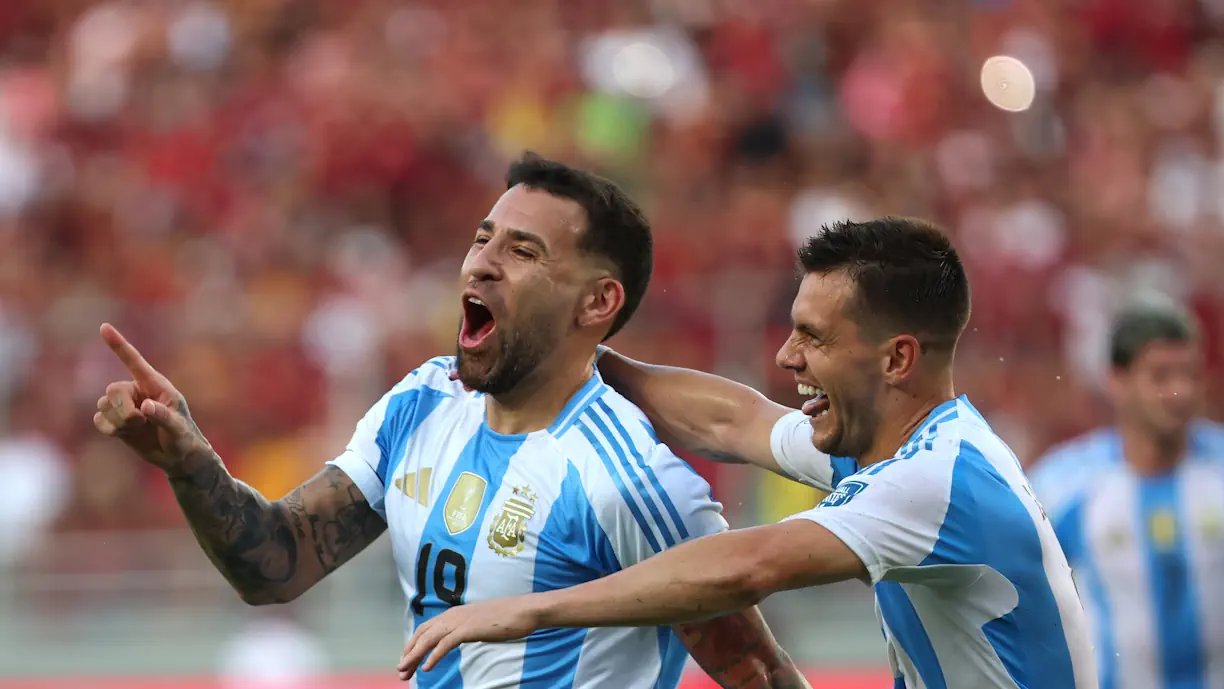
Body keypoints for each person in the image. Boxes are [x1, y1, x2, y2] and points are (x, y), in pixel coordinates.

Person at [93, 153, 809, 689]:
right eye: (482, 238)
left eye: (523, 251)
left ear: (597, 304)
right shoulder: (421, 403)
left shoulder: (628, 478)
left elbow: (758, 670)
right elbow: (273, 563)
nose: (481, 265)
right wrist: (188, 461)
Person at [397, 217, 1099, 688]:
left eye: (814, 337)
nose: (787, 356)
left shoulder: (935, 483)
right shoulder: (895, 444)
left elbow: (747, 565)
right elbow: (734, 421)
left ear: (897, 358)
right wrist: (570, 353)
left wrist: (527, 609)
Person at [1027, 299, 1224, 689]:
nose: (1180, 391)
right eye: (1161, 376)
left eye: (1189, 374)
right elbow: (1021, 603)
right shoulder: (1064, 484)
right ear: (1117, 380)